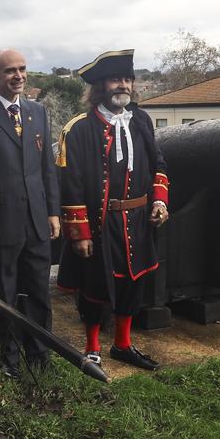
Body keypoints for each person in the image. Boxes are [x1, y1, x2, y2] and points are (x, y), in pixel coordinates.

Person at [56, 49, 169, 371]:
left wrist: (160, 201)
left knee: (133, 284)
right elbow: (70, 183)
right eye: (116, 79)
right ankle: (92, 348)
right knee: (95, 288)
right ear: (101, 86)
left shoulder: (142, 120)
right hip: (101, 224)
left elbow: (159, 164)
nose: (123, 85)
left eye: (128, 79)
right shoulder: (78, 128)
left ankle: (122, 344)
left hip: (137, 219)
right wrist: (79, 232)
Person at [0, 48, 61, 378]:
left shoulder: (37, 113)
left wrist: (52, 213)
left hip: (36, 221)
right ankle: (10, 359)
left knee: (38, 292)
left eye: (22, 69)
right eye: (9, 71)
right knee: (5, 294)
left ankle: (40, 353)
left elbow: (46, 167)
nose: (18, 76)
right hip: (0, 224)